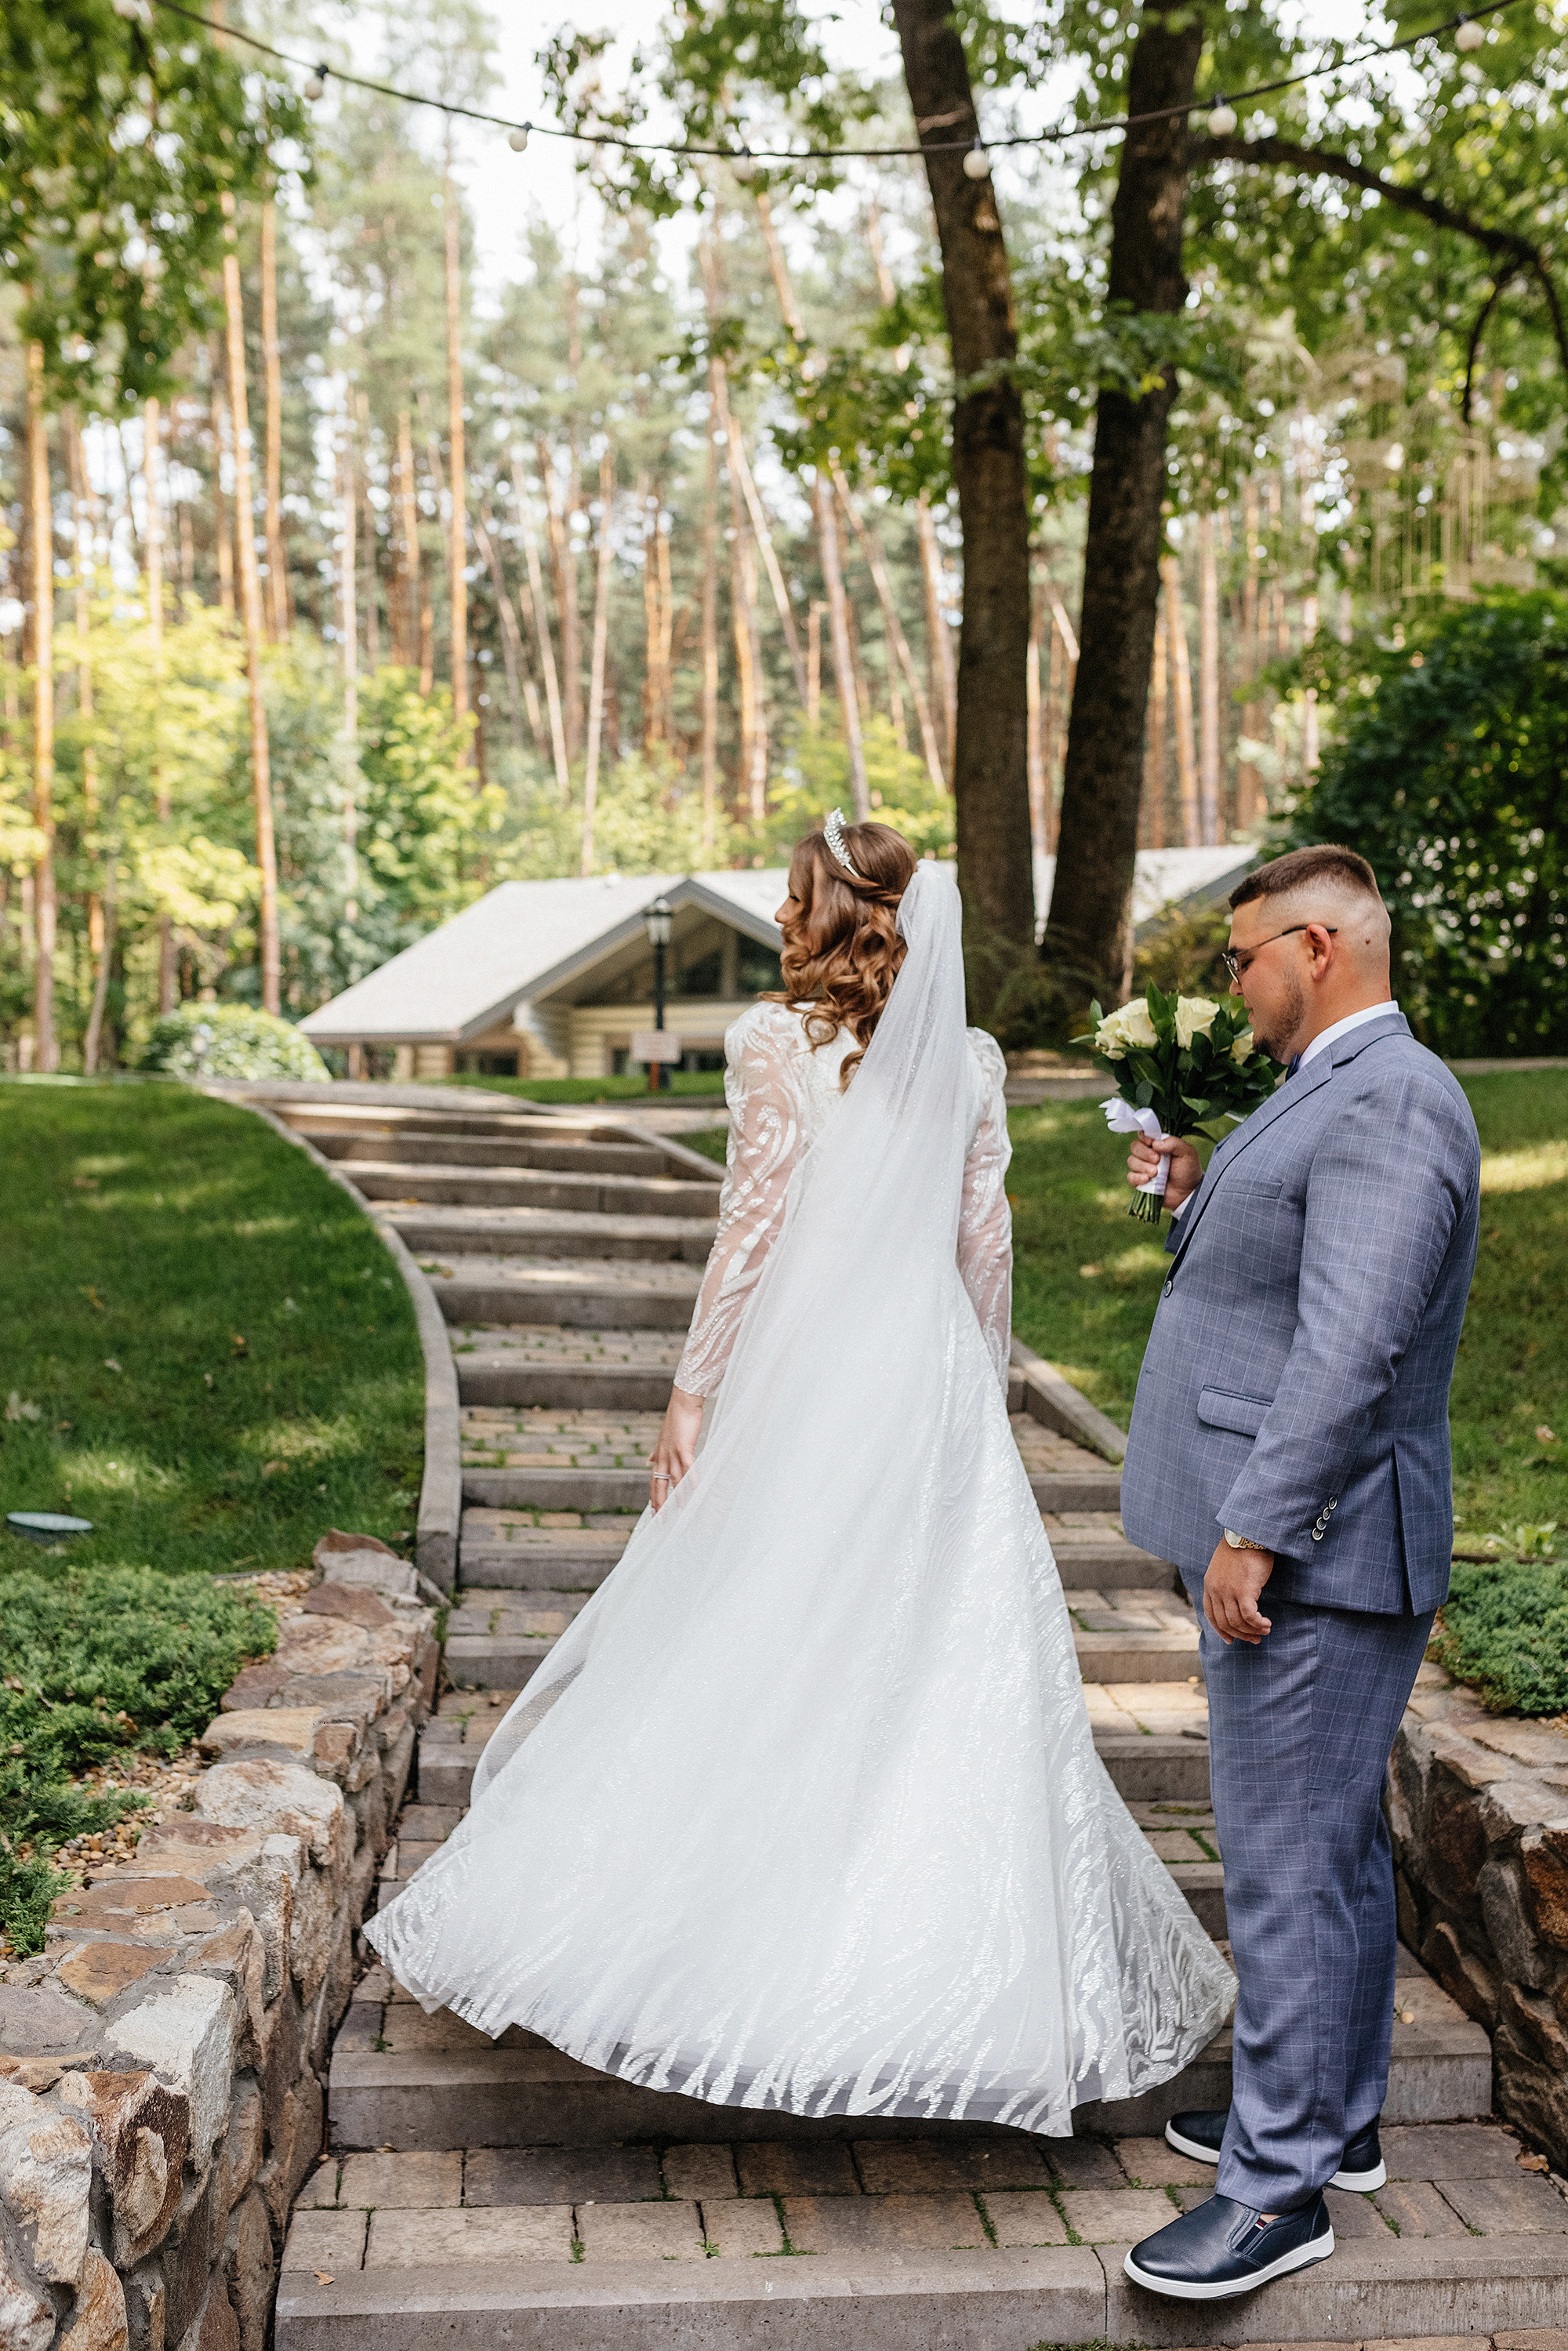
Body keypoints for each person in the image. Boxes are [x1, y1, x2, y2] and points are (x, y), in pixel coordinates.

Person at [368, 815, 1232, 2135]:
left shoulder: (775, 1046)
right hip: (931, 1372)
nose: (778, 914)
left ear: (838, 913)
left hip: (818, 1368)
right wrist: (985, 1393)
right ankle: (971, 1999)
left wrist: (694, 1388)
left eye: (791, 896)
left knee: (771, 1626)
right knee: (937, 1651)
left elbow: (752, 1228)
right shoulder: (973, 1056)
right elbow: (982, 1242)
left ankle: (746, 1962)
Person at [1116, 844, 1480, 2302]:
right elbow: (1312, 1270)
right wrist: (1206, 1183)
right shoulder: (1338, 1085)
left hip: (1315, 1553)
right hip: (1309, 1540)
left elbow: (1354, 1346)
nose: (1230, 980)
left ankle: (1276, 2194)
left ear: (1319, 946)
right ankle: (1335, 2117)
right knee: (1328, 1850)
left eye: (1241, 953)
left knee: (1279, 1864)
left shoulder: (1393, 1098)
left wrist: (1258, 1525)